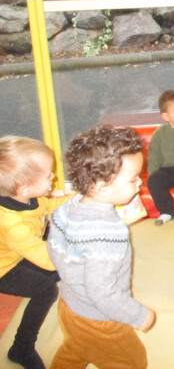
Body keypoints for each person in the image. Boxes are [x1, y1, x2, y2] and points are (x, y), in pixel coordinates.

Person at [48, 125, 155, 369]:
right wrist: (138, 315)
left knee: (76, 349)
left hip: (69, 306)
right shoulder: (108, 234)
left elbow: (54, 250)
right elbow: (102, 292)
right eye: (133, 178)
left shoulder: (65, 208)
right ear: (101, 186)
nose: (139, 182)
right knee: (131, 361)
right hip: (100, 320)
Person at [0, 136, 67, 369]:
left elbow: (49, 206)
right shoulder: (15, 227)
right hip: (4, 269)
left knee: (52, 270)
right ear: (24, 188)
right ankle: (22, 347)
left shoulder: (28, 197)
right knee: (46, 290)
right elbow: (50, 260)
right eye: (49, 175)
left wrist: (83, 199)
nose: (54, 177)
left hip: (17, 252)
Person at [147, 89, 174, 225]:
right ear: (166, 117)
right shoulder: (160, 133)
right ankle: (166, 211)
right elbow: (154, 154)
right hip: (169, 171)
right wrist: (152, 172)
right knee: (155, 180)